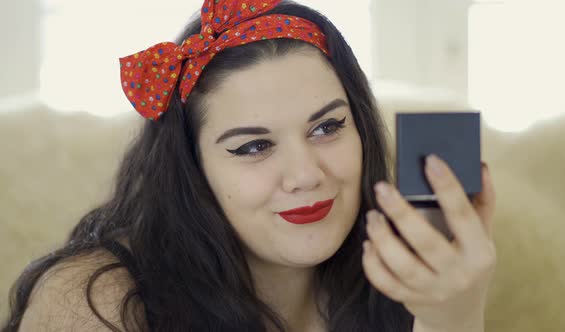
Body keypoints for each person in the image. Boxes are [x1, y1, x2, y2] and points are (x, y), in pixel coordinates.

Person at [2, 0, 497, 331]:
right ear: (192, 168)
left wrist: (452, 318)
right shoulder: (95, 304)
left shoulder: (398, 283)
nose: (305, 175)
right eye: (253, 147)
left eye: (327, 128)